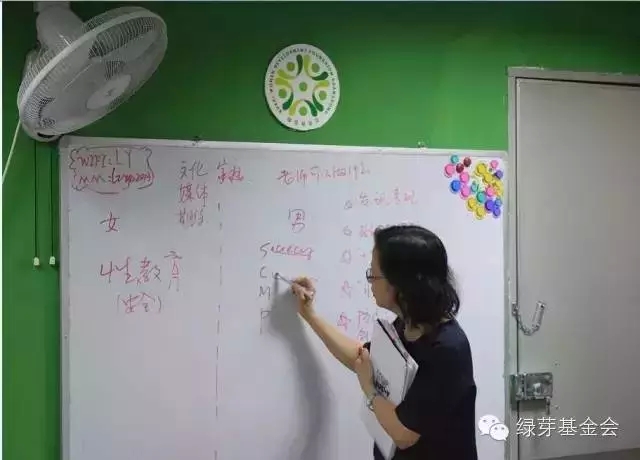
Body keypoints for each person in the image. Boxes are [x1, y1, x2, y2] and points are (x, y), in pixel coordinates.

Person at [290, 224, 478, 460]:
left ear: (400, 284)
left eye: (374, 274)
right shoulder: (407, 324)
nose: (370, 282)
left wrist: (369, 388)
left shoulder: (448, 349)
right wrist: (310, 315)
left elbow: (403, 434)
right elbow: (362, 359)